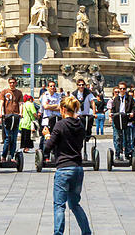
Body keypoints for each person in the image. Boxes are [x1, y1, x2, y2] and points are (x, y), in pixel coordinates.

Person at [42, 95, 92, 235]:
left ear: (63, 109)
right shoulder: (80, 125)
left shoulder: (60, 125)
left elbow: (48, 148)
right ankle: (86, 232)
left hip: (64, 169)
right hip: (77, 169)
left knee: (59, 206)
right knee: (75, 204)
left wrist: (47, 135)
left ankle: (58, 233)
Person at [110, 82, 135, 159]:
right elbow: (113, 108)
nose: (122, 90)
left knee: (127, 137)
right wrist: (111, 114)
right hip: (118, 120)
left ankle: (127, 153)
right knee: (117, 138)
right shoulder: (116, 99)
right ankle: (117, 154)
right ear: (119, 89)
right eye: (121, 88)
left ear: (126, 89)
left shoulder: (130, 98)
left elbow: (134, 107)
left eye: (124, 89)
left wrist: (132, 113)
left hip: (126, 119)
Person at [0, 76, 24, 160]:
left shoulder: (19, 93)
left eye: (13, 82)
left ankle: (12, 156)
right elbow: (1, 103)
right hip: (7, 117)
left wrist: (21, 113)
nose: (12, 84)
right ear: (8, 83)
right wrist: (1, 112)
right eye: (10, 82)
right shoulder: (4, 92)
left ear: (16, 83)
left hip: (16, 116)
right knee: (8, 138)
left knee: (14, 138)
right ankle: (3, 156)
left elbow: (20, 104)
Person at [72, 78, 96, 151]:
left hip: (86, 115)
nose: (81, 86)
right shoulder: (74, 94)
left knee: (87, 129)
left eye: (83, 85)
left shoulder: (88, 93)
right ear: (77, 86)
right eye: (79, 85)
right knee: (79, 132)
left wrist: (94, 113)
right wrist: (73, 114)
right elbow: (71, 104)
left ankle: (87, 137)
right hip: (78, 116)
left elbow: (92, 102)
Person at [40, 80, 62, 154]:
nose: (52, 87)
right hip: (47, 119)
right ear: (48, 87)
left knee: (56, 137)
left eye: (54, 86)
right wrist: (55, 106)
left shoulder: (58, 96)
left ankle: (55, 153)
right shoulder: (45, 95)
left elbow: (60, 107)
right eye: (51, 86)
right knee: (47, 137)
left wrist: (50, 106)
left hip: (56, 118)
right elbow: (45, 107)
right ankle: (45, 154)